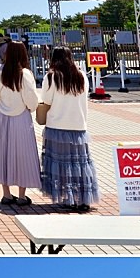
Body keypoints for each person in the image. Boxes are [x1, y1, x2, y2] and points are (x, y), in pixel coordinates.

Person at [40, 48, 100, 212]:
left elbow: (45, 99)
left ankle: (68, 198)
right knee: (80, 163)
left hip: (57, 126)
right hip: (79, 126)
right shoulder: (81, 75)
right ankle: (83, 198)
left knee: (61, 164)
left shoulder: (52, 76)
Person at [0, 40, 40, 206]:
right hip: (21, 118)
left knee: (3, 153)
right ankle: (22, 196)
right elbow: (32, 101)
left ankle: (6, 194)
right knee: (23, 154)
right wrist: (32, 107)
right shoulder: (25, 74)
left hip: (3, 118)